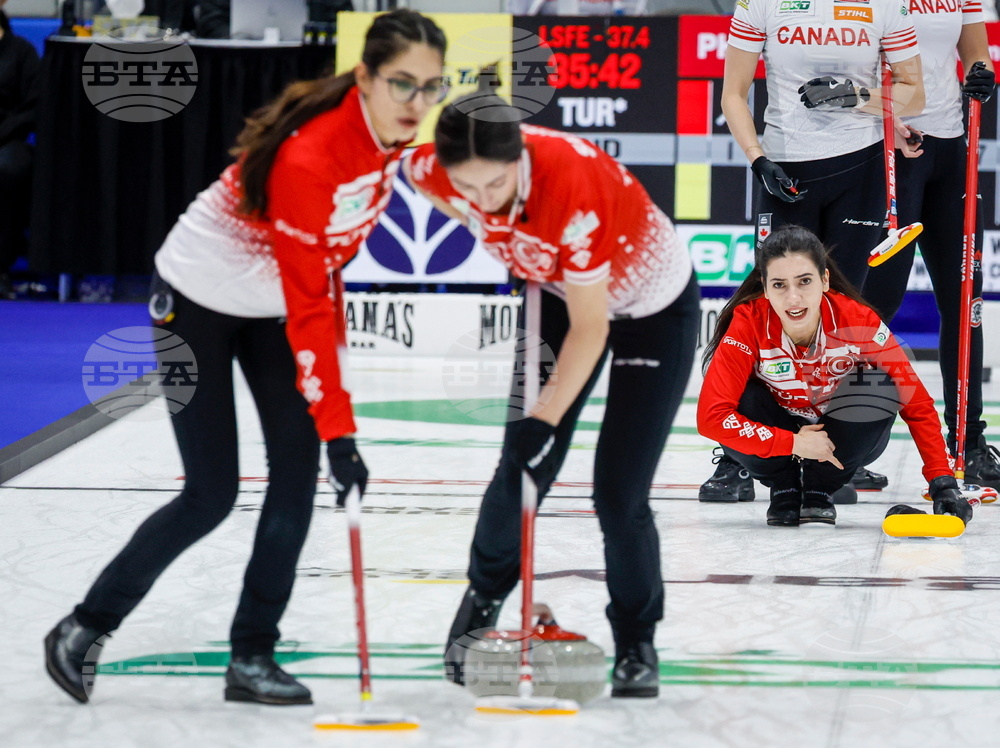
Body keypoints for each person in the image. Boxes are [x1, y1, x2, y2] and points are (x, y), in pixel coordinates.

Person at [43, 9, 447, 706]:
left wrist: (333, 429)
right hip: (195, 299)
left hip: (269, 307)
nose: (417, 103)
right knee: (211, 493)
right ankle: (84, 626)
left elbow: (323, 280)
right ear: (365, 78)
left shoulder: (393, 146)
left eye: (432, 87)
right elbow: (313, 302)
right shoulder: (312, 157)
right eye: (402, 84)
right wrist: (342, 427)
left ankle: (252, 657)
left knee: (296, 479)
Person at [405, 90, 700, 699]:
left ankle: (637, 642)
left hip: (651, 306)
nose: (483, 200)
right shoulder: (435, 169)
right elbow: (421, 179)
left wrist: (543, 417)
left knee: (618, 494)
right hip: (558, 296)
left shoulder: (573, 189)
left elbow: (594, 330)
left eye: (495, 186)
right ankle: (483, 600)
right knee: (518, 469)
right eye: (469, 188)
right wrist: (490, 227)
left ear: (520, 158)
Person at [701, 0, 927, 503]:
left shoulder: (884, 5)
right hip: (784, 166)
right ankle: (734, 456)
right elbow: (733, 94)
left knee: (842, 312)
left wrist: (856, 96)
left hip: (860, 167)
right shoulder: (760, 3)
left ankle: (833, 452)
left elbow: (913, 95)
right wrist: (758, 160)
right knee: (764, 305)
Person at [697, 225, 972, 528]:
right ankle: (784, 488)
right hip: (779, 437)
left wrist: (942, 482)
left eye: (804, 282)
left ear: (825, 280)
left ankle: (820, 488)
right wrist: (792, 443)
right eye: (779, 285)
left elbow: (916, 402)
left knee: (881, 385)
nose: (793, 298)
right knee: (743, 398)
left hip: (841, 436)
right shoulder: (748, 322)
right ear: (764, 287)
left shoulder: (858, 320)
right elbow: (711, 417)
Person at [863, 0, 1000, 491]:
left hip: (950, 146)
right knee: (874, 303)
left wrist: (984, 77)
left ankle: (969, 440)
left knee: (966, 301)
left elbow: (976, 54)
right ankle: (849, 438)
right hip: (892, 144)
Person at [0, 2, 40, 300]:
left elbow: (33, 107)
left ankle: (2, 267)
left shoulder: (22, 52)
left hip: (8, 139)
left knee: (10, 169)